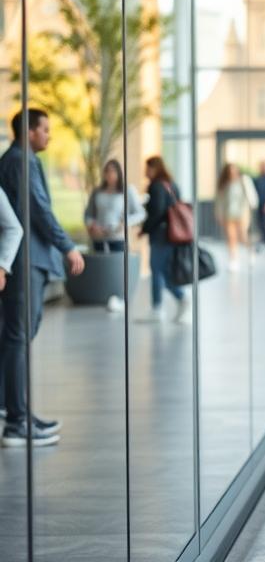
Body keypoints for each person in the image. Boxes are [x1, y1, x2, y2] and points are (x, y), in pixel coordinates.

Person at [0, 108, 84, 447]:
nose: (49, 135)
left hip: (21, 261)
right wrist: (68, 246)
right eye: (44, 129)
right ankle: (17, 421)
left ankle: (13, 411)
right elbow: (38, 209)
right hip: (25, 261)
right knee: (18, 338)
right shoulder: (22, 161)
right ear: (29, 132)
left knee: (15, 337)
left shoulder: (15, 159)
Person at [84, 158, 147, 312]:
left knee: (118, 269)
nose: (109, 175)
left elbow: (140, 213)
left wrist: (124, 223)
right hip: (99, 237)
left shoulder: (127, 191)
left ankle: (120, 298)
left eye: (112, 171)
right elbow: (88, 214)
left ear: (118, 173)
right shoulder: (97, 192)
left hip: (118, 237)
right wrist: (92, 225)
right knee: (103, 270)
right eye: (107, 172)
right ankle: (105, 297)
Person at [141, 156, 191, 325]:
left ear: (155, 168)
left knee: (157, 270)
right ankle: (167, 303)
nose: (145, 172)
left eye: (148, 168)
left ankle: (169, 302)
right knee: (162, 269)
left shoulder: (156, 186)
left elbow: (157, 212)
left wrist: (144, 229)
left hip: (161, 235)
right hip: (172, 234)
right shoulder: (172, 184)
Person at [215, 162, 257, 271]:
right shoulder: (224, 183)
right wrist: (219, 214)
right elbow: (220, 200)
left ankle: (251, 251)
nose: (232, 173)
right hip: (228, 213)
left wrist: (253, 204)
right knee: (231, 237)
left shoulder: (243, 180)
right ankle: (234, 260)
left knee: (242, 235)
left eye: (234, 170)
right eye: (230, 171)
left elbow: (251, 195)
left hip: (242, 213)